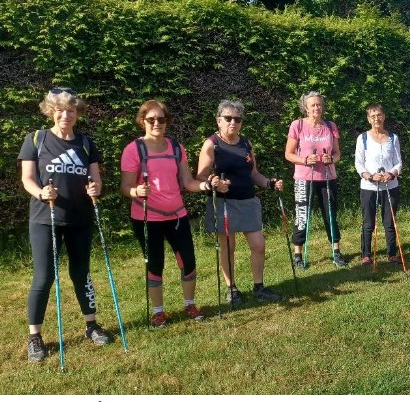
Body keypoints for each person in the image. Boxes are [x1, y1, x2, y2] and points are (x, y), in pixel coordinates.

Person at [18, 88, 110, 362]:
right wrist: (41, 193)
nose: (65, 115)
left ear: (77, 113)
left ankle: (91, 325)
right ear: (51, 111)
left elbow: (96, 179)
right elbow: (27, 179)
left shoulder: (85, 143)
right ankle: (35, 337)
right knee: (44, 277)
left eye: (71, 110)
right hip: (45, 219)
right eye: (59, 110)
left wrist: (95, 188)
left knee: (81, 273)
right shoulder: (36, 139)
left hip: (80, 219)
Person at [120, 99, 213, 328]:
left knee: (188, 261)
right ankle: (158, 312)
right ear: (142, 121)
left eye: (161, 119)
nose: (156, 123)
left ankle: (190, 305)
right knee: (155, 264)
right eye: (151, 119)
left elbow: (188, 182)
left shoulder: (176, 148)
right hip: (147, 217)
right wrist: (136, 191)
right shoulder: (133, 149)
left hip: (177, 215)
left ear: (167, 121)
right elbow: (125, 187)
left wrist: (207, 186)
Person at [197, 100, 285, 306]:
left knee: (258, 244)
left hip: (248, 200)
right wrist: (214, 183)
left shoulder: (246, 143)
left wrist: (270, 183)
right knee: (228, 247)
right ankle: (232, 289)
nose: (233, 122)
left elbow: (253, 173)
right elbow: (200, 176)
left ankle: (258, 287)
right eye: (228, 118)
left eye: (237, 119)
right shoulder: (211, 144)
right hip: (225, 203)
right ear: (218, 121)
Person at [284, 91, 347, 268]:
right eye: (312, 105)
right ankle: (298, 253)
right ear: (305, 107)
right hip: (304, 178)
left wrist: (331, 159)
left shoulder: (330, 126)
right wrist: (304, 160)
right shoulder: (297, 125)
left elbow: (337, 153)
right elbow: (288, 154)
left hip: (327, 177)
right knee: (302, 215)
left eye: (319, 104)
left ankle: (336, 251)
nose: (316, 108)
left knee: (330, 214)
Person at [354, 104, 403, 266]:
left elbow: (398, 163)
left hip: (390, 185)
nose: (376, 119)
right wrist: (370, 176)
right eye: (373, 116)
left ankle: (392, 254)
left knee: (389, 222)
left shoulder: (393, 138)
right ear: (369, 119)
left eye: (379, 115)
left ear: (384, 116)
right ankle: (366, 255)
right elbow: (359, 163)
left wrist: (391, 174)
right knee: (368, 222)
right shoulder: (363, 138)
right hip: (369, 187)